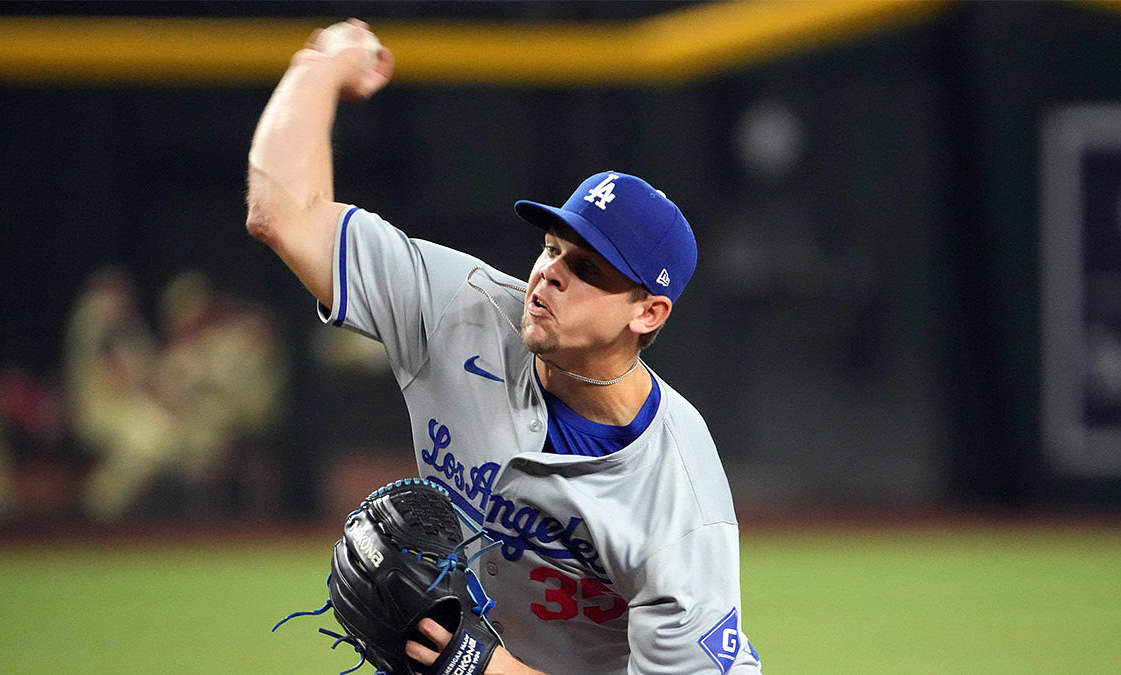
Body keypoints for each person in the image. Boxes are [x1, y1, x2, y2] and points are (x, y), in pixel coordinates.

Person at [246, 19, 762, 674]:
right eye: (552, 247)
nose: (550, 273)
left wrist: (479, 668)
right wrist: (320, 65)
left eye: (588, 269)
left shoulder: (677, 495)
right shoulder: (465, 309)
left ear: (648, 311)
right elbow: (282, 212)